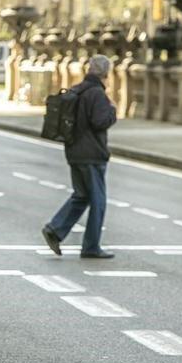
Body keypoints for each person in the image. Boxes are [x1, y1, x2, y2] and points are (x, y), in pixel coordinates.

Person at [41, 55, 117, 259]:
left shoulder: (77, 89)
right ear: (105, 73)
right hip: (92, 154)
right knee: (98, 201)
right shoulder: (97, 94)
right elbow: (100, 121)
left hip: (74, 151)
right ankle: (91, 246)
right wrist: (113, 111)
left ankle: (55, 230)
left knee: (81, 195)